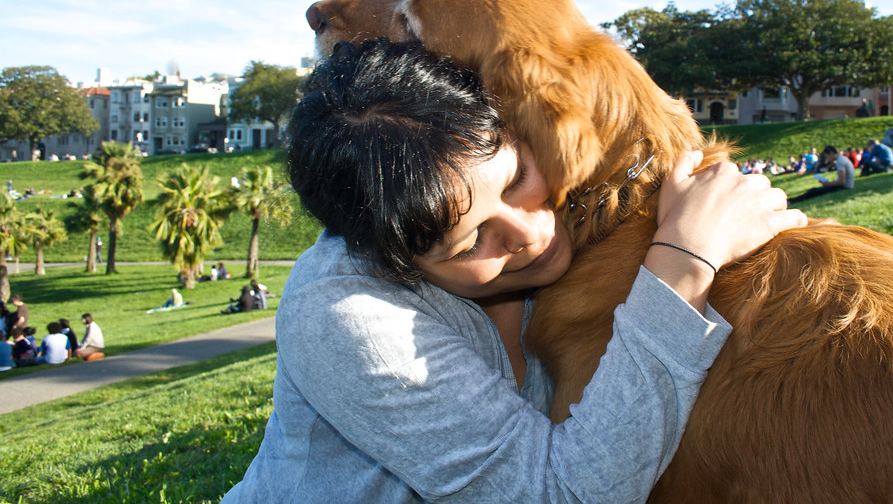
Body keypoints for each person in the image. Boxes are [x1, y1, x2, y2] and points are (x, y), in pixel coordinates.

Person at [222, 39, 805, 502]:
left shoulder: (572, 213)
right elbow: (557, 494)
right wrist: (684, 260)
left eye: (516, 177)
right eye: (471, 241)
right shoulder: (347, 316)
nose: (531, 234)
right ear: (391, 265)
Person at [787, 146, 855, 204]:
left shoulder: (840, 161)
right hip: (846, 185)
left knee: (813, 191)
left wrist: (826, 184)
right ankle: (791, 200)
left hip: (844, 187)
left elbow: (841, 182)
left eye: (827, 156)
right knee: (814, 191)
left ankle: (791, 201)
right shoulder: (842, 159)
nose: (827, 159)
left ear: (831, 153)